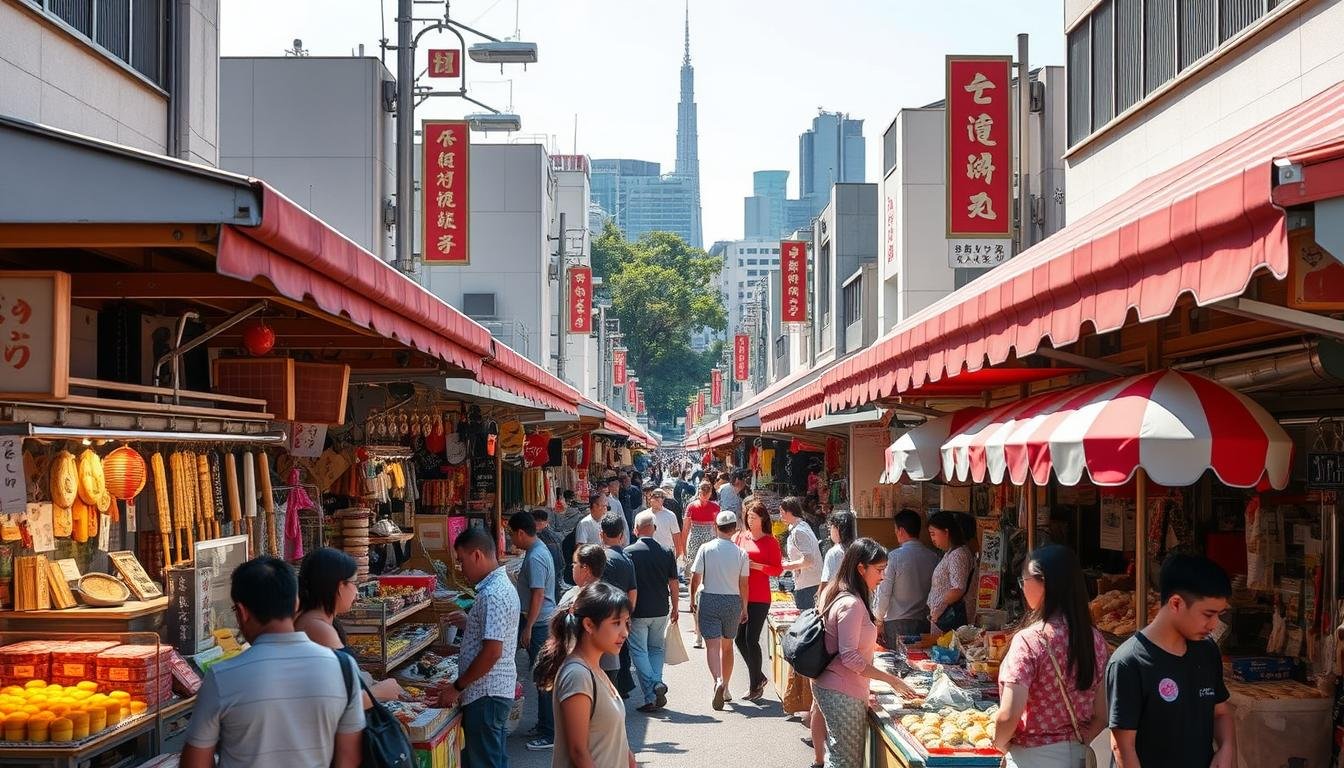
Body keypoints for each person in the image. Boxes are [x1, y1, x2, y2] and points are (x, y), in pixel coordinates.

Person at [181, 556, 364, 768]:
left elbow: (195, 763)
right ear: (296, 603)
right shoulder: (343, 667)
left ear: (242, 612)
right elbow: (349, 757)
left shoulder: (221, 677)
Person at [1107, 554, 1234, 768]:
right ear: (1176, 603)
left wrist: (1226, 748)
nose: (1214, 624)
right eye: (1208, 614)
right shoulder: (1129, 662)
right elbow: (1122, 748)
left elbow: (1220, 713)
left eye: (1219, 614)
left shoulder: (1207, 651)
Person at [992, 545, 1110, 767]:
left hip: (1032, 758)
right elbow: (1102, 715)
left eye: (1024, 580)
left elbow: (1008, 715)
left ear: (1044, 583)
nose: (1022, 587)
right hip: (1080, 756)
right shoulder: (1095, 639)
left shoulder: (1029, 640)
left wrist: (999, 743)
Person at [813, 540, 919, 768]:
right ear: (861, 568)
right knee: (845, 761)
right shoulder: (851, 603)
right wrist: (892, 680)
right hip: (842, 690)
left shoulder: (844, 593)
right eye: (879, 570)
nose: (883, 577)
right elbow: (849, 657)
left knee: (842, 757)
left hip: (839, 687)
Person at [435, 527, 520, 767]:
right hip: (493, 692)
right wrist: (470, 621)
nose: (461, 570)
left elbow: (492, 651)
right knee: (494, 758)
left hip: (486, 694)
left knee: (484, 761)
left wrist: (457, 686)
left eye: (462, 561)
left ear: (477, 555)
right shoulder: (499, 586)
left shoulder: (492, 594)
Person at [534, 582, 638, 768]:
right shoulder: (577, 674)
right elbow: (579, 753)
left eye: (626, 622)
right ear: (589, 624)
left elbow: (618, 742)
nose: (624, 632)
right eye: (616, 623)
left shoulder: (595, 669)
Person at [293, 547, 406, 704]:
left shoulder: (318, 622)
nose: (357, 592)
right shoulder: (317, 629)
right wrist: (378, 691)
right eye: (354, 583)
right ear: (340, 586)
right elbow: (334, 704)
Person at [508, 511, 559, 752]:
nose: (511, 541)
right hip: (539, 621)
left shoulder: (536, 555)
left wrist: (528, 627)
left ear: (520, 532)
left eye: (511, 535)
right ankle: (544, 725)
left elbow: (538, 594)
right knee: (541, 676)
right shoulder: (536, 550)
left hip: (539, 624)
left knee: (543, 678)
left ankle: (549, 732)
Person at [689, 509, 750, 711]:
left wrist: (691, 599)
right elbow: (744, 584)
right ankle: (726, 688)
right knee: (727, 646)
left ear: (716, 527)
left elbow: (695, 577)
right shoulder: (741, 553)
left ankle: (717, 680)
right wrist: (744, 607)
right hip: (732, 601)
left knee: (712, 647)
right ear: (735, 529)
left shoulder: (706, 548)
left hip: (709, 598)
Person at [625, 511, 680, 712]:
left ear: (635, 529)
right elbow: (673, 583)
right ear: (654, 529)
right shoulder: (666, 551)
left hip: (638, 610)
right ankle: (653, 690)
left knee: (639, 651)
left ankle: (654, 686)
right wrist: (675, 607)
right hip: (660, 609)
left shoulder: (629, 552)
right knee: (656, 649)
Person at [733, 499, 782, 701]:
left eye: (754, 517)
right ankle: (759, 677)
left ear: (763, 519)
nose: (750, 520)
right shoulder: (740, 537)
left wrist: (757, 566)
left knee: (751, 639)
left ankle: (754, 685)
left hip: (760, 596)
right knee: (739, 639)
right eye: (748, 517)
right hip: (740, 594)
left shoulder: (771, 541)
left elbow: (778, 569)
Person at [874, 509, 942, 641]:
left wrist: (878, 620)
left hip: (897, 623)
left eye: (895, 530)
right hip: (924, 621)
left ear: (901, 531)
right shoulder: (933, 557)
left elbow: (884, 592)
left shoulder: (894, 557)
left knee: (899, 660)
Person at [598, 512, 638, 696]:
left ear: (601, 534)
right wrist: (627, 617)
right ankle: (621, 688)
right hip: (621, 613)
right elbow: (633, 591)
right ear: (622, 535)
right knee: (620, 652)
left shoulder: (599, 558)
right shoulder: (626, 559)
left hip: (603, 614)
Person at [682, 481, 722, 648]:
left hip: (706, 541)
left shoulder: (714, 507)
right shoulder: (692, 506)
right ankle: (698, 625)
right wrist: (683, 549)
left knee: (706, 579)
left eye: (706, 491)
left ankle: (703, 626)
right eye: (702, 491)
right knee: (695, 578)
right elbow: (685, 528)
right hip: (698, 542)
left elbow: (718, 528)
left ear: (710, 491)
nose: (704, 494)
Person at [927, 510, 975, 632]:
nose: (932, 539)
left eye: (933, 534)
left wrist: (939, 608)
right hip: (942, 617)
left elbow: (958, 588)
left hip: (948, 617)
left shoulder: (957, 554)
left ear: (946, 532)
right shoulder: (951, 553)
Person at [780, 496, 823, 611]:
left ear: (789, 512)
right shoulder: (801, 526)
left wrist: (786, 566)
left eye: (782, 512)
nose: (781, 515)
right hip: (809, 581)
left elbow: (808, 560)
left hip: (808, 583)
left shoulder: (799, 531)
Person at [533, 509, 569, 596]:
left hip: (552, 571)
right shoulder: (554, 535)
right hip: (559, 569)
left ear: (537, 522)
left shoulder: (541, 536)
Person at [642, 488, 683, 559]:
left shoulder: (671, 515)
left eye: (661, 497)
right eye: (655, 496)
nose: (658, 499)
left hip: (666, 555)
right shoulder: (642, 516)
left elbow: (677, 537)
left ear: (663, 499)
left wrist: (677, 556)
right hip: (648, 555)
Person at [820, 511, 856, 584]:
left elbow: (826, 581)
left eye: (830, 527)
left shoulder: (834, 552)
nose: (829, 532)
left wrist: (819, 594)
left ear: (837, 528)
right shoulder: (857, 549)